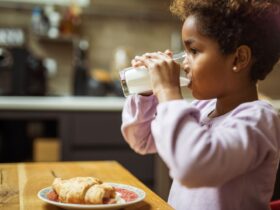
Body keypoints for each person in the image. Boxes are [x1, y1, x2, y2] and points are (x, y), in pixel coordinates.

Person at [121, 0, 280, 209]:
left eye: (193, 51)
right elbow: (141, 140)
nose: (184, 64)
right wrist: (146, 92)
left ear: (239, 59)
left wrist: (168, 92)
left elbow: (193, 165)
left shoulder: (258, 121)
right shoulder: (202, 110)